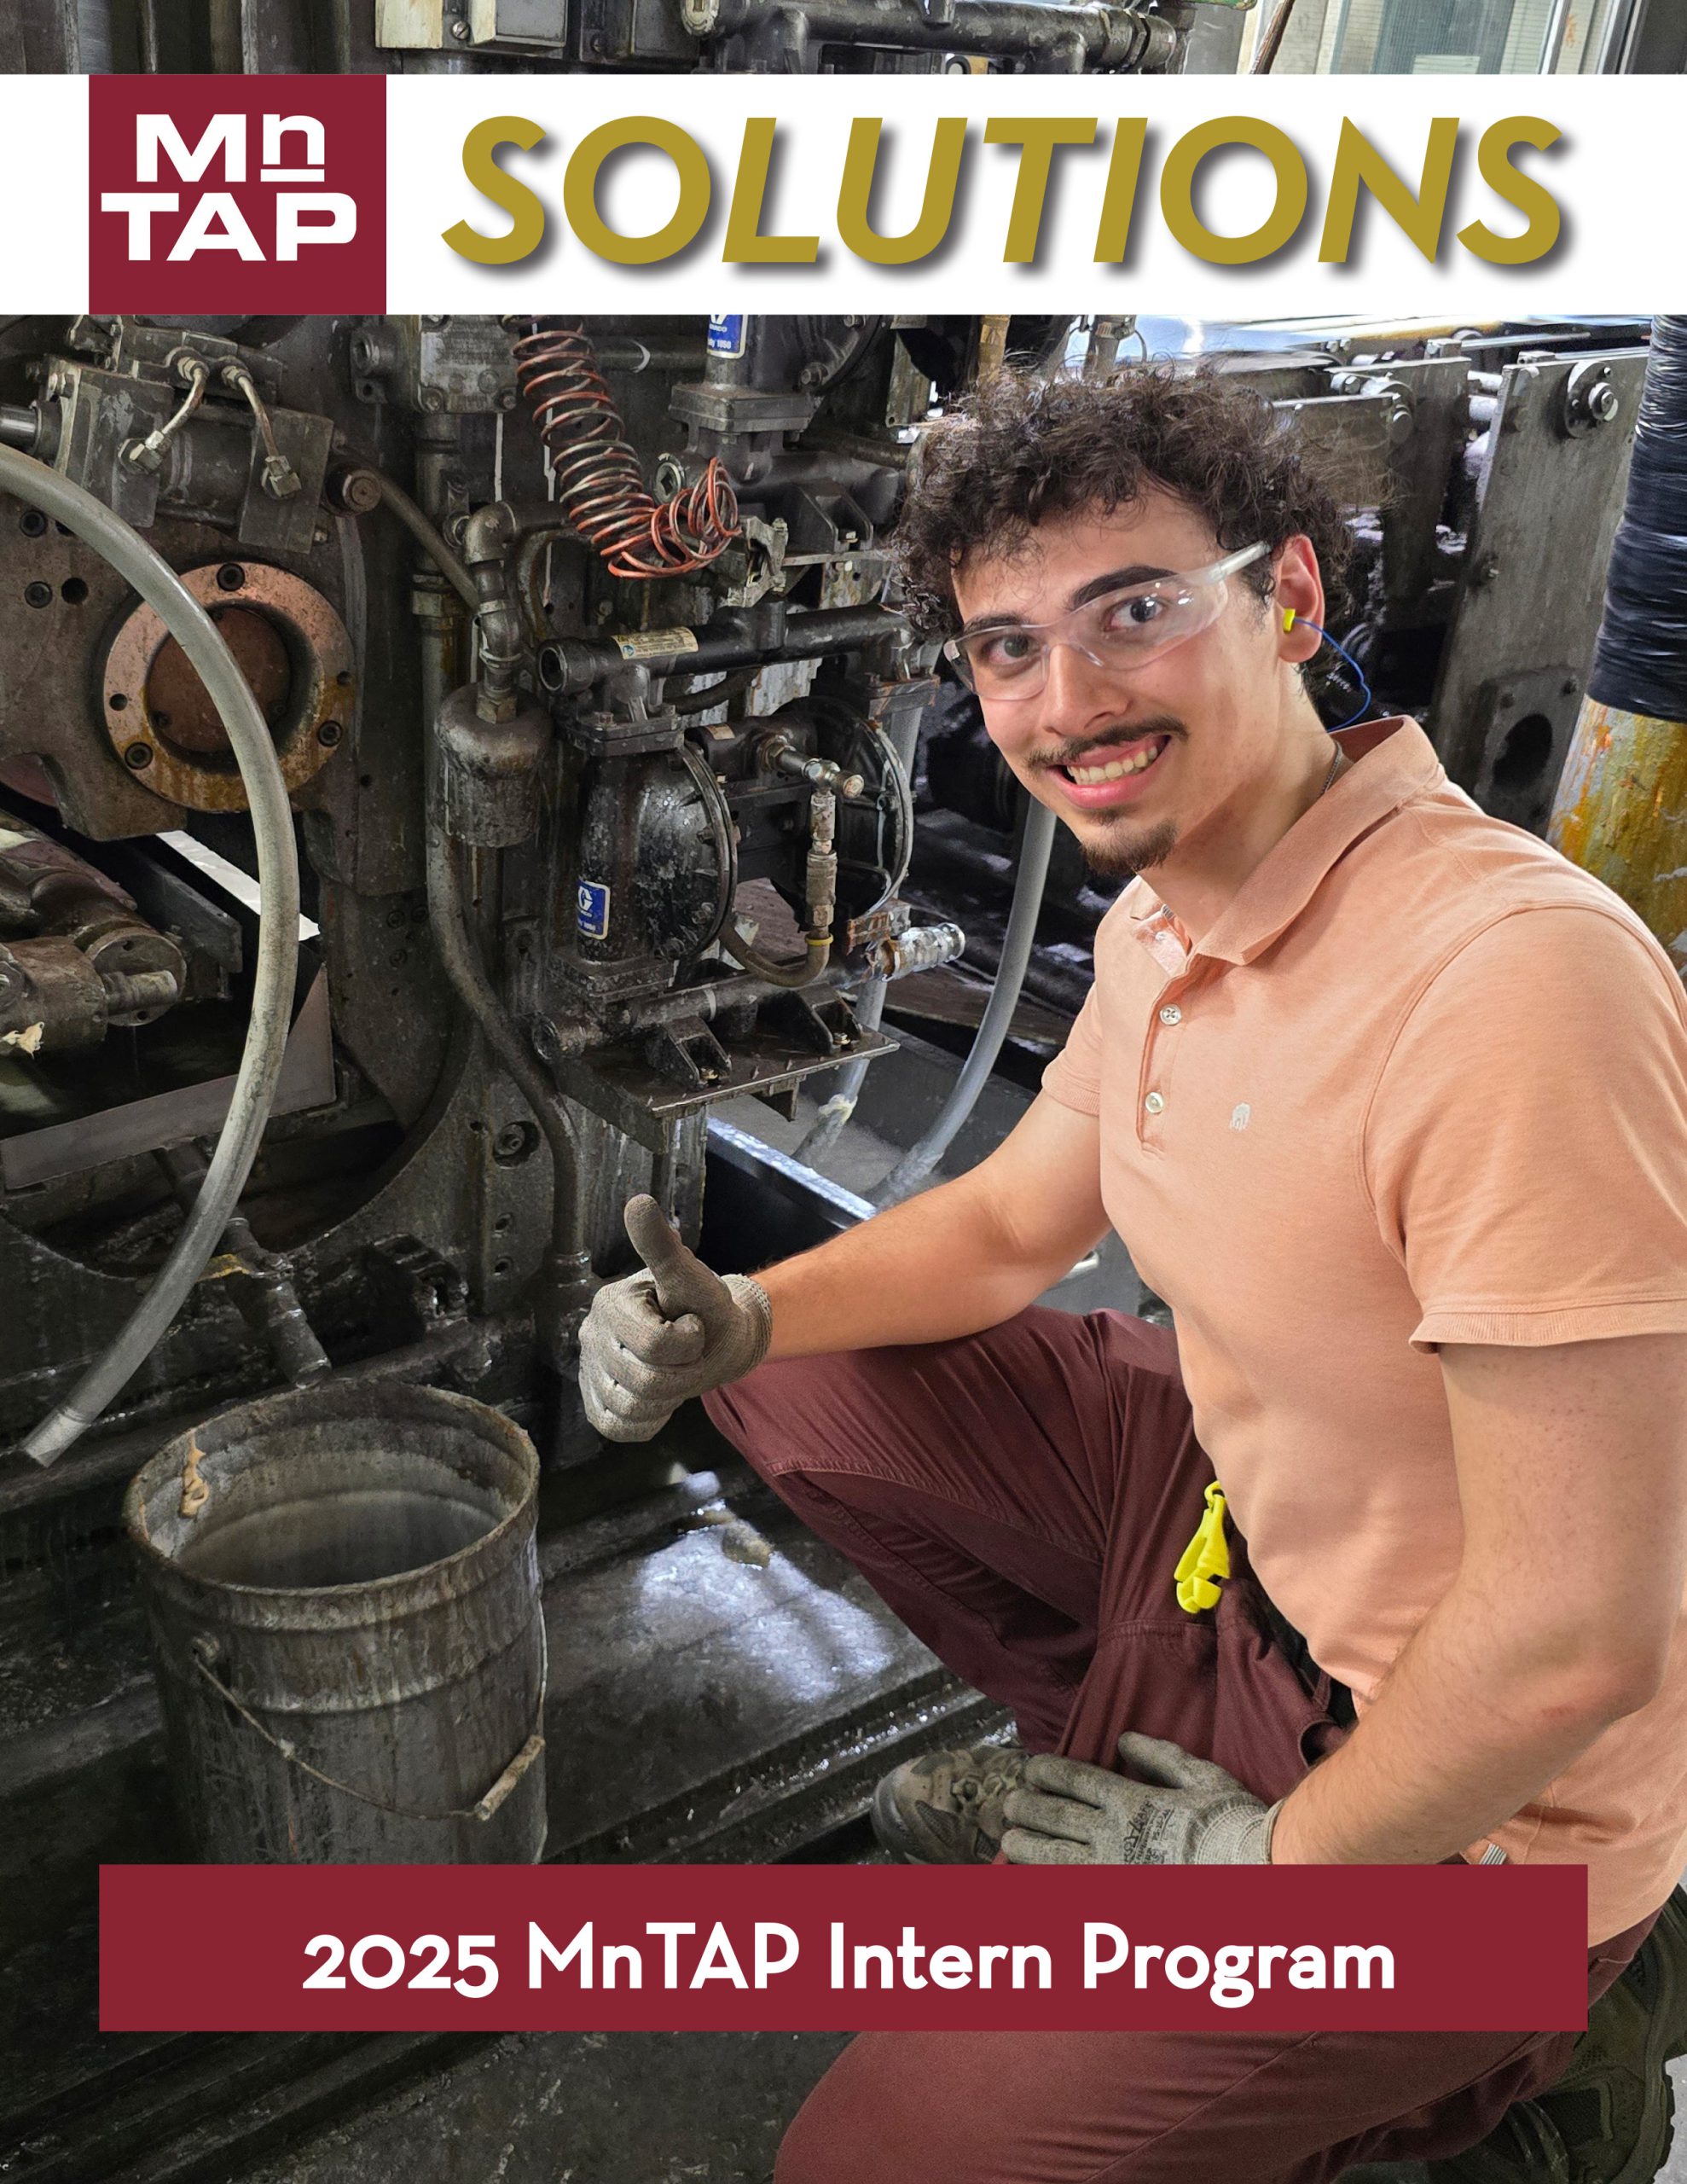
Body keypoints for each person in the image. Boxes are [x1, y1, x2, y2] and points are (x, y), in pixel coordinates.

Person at [577, 366, 1687, 2184]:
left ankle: (1498, 2083)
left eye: (1134, 612)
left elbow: (1570, 1638)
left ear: (1293, 601)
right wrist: (746, 1310)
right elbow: (1014, 1223)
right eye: (1005, 648)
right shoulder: (1178, 908)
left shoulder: (1506, 987)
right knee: (792, 1377)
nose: (1063, 700)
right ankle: (1118, 1765)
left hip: (1492, 1834)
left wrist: (1270, 1871)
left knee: (863, 2165)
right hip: (1249, 1555)